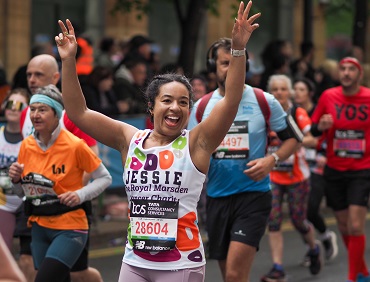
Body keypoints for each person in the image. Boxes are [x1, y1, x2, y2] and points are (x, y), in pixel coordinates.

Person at [55, 1, 259, 281]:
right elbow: (79, 112)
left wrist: (238, 50)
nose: (175, 107)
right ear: (151, 107)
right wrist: (68, 61)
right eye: (167, 100)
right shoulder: (129, 139)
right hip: (134, 261)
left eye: (184, 102)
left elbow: (232, 99)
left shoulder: (197, 143)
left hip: (181, 264)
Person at [188, 41, 300, 282]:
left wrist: (272, 160)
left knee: (236, 274)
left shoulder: (265, 100)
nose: (230, 68)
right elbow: (189, 153)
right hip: (216, 199)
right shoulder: (201, 108)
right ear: (213, 67)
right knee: (228, 275)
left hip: (253, 196)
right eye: (224, 63)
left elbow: (294, 139)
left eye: (236, 62)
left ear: (246, 65)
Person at [8, 85, 112, 282]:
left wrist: (80, 194)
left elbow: (105, 178)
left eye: (42, 109)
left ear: (57, 114)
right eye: (32, 109)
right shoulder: (26, 146)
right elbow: (23, 192)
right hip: (39, 225)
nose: (35, 115)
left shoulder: (75, 145)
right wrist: (15, 180)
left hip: (70, 226)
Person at [310, 57, 370, 282]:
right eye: (342, 69)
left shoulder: (368, 97)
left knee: (356, 225)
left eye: (351, 70)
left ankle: (353, 277)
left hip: (361, 170)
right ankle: (363, 271)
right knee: (345, 226)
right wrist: (321, 126)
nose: (345, 73)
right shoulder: (328, 96)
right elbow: (314, 130)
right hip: (334, 169)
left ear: (359, 74)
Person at [260, 74, 322, 281]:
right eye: (275, 89)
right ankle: (277, 267)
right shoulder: (266, 114)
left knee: (298, 221)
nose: (279, 93)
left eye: (283, 89)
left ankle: (313, 248)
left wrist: (293, 141)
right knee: (274, 221)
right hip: (274, 177)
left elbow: (312, 140)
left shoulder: (297, 112)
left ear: (290, 92)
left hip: (298, 177)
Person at [293, 77, 338, 266]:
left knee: (310, 209)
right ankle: (312, 247)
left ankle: (326, 236)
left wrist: (325, 154)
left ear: (310, 93)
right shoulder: (291, 112)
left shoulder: (318, 112)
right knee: (298, 214)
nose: (297, 93)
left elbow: (328, 134)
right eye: (295, 89)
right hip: (296, 166)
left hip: (317, 166)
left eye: (301, 89)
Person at [0, 88, 29, 250]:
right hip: (2, 204)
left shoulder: (32, 139)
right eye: (10, 103)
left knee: (29, 260)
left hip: (28, 203)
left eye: (19, 105)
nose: (13, 108)